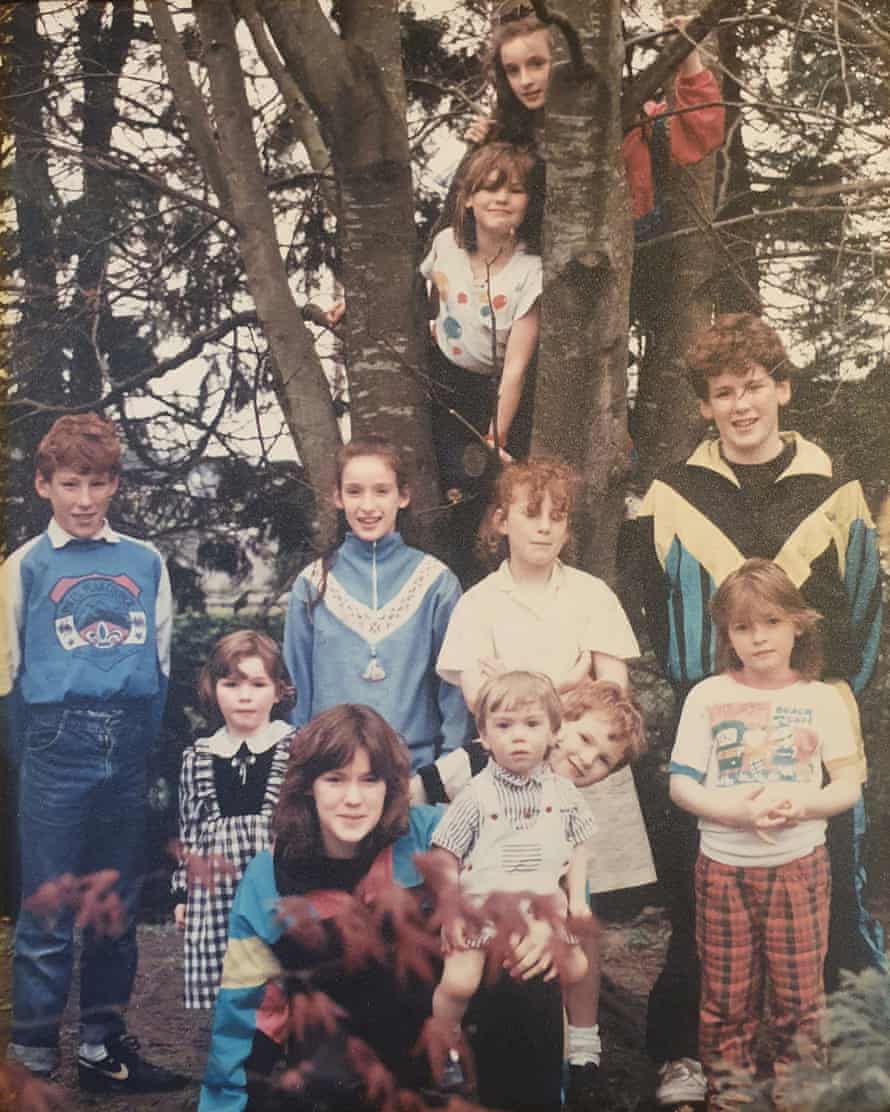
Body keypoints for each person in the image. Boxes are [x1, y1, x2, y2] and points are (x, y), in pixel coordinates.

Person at [623, 312, 884, 1109]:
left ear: (784, 390)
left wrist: (821, 702)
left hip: (814, 726)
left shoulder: (835, 490)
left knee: (835, 895)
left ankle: (856, 1048)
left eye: (755, 388)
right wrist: (701, 703)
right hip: (712, 731)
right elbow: (646, 613)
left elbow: (867, 616)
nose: (741, 406)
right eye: (723, 392)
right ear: (705, 405)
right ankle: (688, 1056)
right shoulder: (669, 496)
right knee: (704, 905)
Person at [198, 704, 566, 1112]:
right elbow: (247, 1013)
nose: (353, 799)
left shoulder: (436, 833)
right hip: (340, 1048)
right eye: (335, 780)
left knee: (528, 966)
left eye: (369, 780)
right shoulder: (268, 875)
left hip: (434, 1023)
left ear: (390, 787)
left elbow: (536, 865)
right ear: (308, 786)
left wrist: (545, 920)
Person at [436, 457, 655, 1107]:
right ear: (500, 519)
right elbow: (487, 705)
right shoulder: (478, 604)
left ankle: (583, 1045)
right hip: (510, 777)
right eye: (530, 514)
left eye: (557, 517)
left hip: (584, 769)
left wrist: (538, 690)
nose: (543, 528)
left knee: (578, 910)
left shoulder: (592, 596)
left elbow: (612, 693)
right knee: (517, 897)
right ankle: (510, 1033)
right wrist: (558, 689)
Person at [1, 413, 186, 1092]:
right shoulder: (25, 566)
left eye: (98, 483)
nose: (84, 499)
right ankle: (34, 1067)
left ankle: (102, 1051)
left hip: (127, 740)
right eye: (70, 483)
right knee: (47, 912)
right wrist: (39, 753)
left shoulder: (143, 561)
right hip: (53, 743)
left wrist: (134, 738)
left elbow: (160, 662)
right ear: (45, 484)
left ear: (115, 485)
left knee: (114, 908)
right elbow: (8, 675)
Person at [668, 560, 861, 1110]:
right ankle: (730, 1094)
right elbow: (683, 785)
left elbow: (846, 784)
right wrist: (734, 813)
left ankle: (797, 1092)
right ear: (727, 635)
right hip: (724, 868)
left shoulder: (822, 698)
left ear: (798, 624)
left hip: (799, 867)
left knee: (800, 997)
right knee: (726, 997)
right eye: (743, 627)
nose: (758, 638)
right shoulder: (707, 696)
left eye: (771, 622)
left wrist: (803, 803)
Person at [430, 671, 596, 1092]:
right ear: (484, 736)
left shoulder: (563, 793)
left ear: (554, 733)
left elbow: (580, 844)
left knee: (576, 968)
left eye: (532, 725)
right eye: (504, 726)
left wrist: (578, 900)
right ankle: (443, 1043)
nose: (518, 738)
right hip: (486, 907)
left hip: (543, 906)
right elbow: (444, 851)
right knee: (459, 981)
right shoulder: (476, 794)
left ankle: (555, 1058)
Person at [282, 434, 472, 771]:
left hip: (414, 777)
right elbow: (297, 690)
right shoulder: (311, 586)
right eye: (354, 491)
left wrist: (443, 774)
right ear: (337, 497)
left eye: (381, 491)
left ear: (403, 496)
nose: (368, 506)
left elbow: (454, 690)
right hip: (331, 775)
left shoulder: (436, 583)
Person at [467, 12, 724, 242]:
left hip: (638, 266)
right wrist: (480, 152)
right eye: (513, 70)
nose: (525, 81)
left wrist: (688, 56)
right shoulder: (510, 138)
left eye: (536, 64)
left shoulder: (632, 118)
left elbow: (702, 133)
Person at [172, 630, 296, 1009]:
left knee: (279, 967)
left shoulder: (294, 748)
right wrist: (182, 892)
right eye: (232, 684)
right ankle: (233, 1043)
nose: (245, 696)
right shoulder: (199, 756)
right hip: (217, 886)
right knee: (228, 973)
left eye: (258, 684)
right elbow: (190, 828)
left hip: (276, 878)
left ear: (278, 691)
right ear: (213, 689)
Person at [420, 141, 543, 483]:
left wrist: (496, 436)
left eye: (515, 191)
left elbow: (516, 369)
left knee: (483, 480)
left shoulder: (531, 272)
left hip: (495, 393)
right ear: (469, 198)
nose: (502, 198)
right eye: (490, 187)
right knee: (440, 476)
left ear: (528, 204)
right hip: (442, 377)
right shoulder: (447, 243)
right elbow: (429, 294)